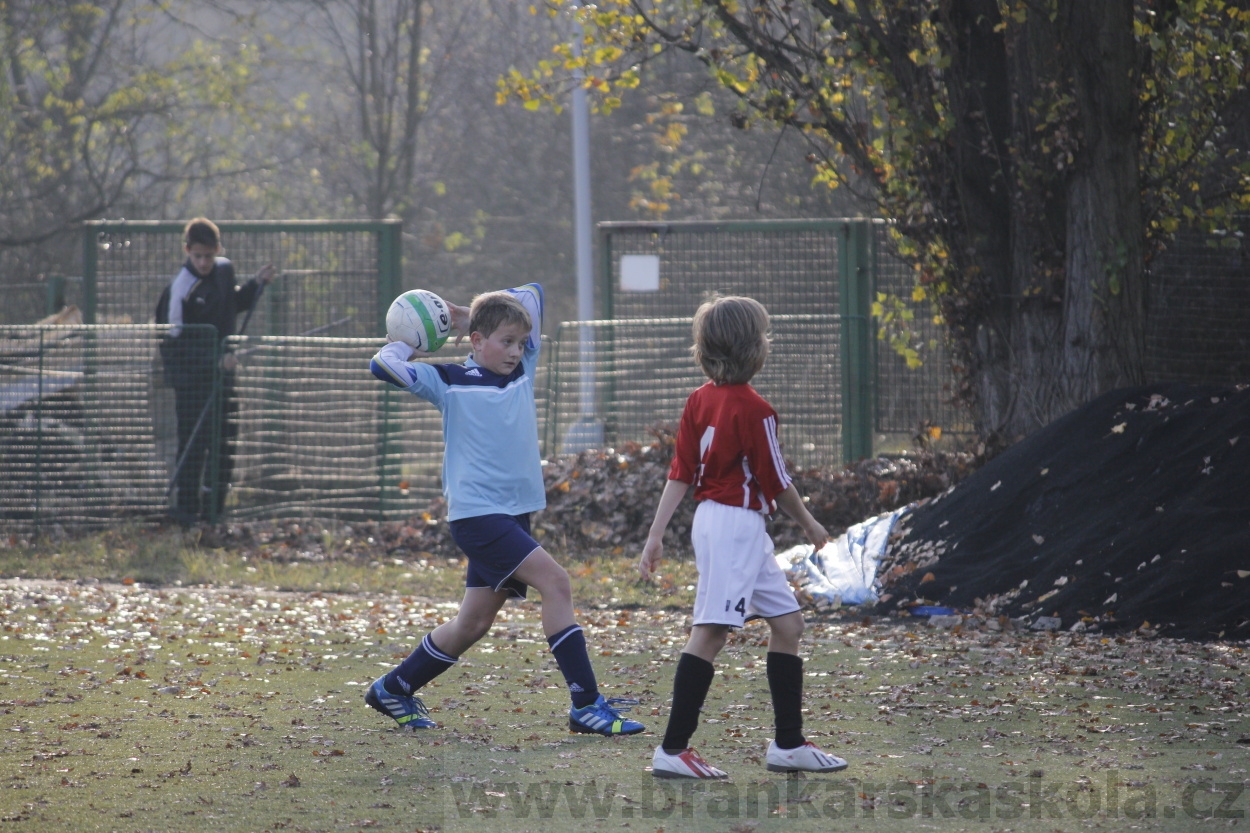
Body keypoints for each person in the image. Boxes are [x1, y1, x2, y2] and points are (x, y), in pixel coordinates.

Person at [366, 283, 645, 737]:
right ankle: (586, 704)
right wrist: (412, 340)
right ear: (477, 342)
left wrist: (466, 313)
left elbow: (532, 293)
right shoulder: (449, 381)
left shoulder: (521, 370)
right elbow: (382, 365)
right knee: (556, 582)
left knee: (473, 622)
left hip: (512, 515)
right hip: (478, 516)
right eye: (506, 341)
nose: (517, 351)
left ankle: (393, 688)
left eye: (521, 342)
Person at [637, 295, 848, 779]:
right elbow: (776, 480)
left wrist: (656, 534)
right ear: (752, 346)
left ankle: (788, 745)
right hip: (734, 527)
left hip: (725, 524)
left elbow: (681, 472)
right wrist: (810, 524)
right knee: (711, 632)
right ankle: (672, 749)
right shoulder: (756, 409)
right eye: (764, 335)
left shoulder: (699, 398)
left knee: (788, 624)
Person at [163, 217, 275, 524]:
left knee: (225, 442)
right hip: (192, 384)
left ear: (218, 250)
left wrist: (256, 285)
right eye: (197, 256)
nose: (203, 262)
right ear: (187, 250)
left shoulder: (224, 271)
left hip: (224, 378)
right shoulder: (180, 289)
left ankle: (215, 510)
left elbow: (232, 304)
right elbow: (173, 344)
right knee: (194, 445)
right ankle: (187, 511)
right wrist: (212, 360)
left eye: (209, 256)